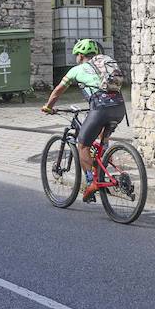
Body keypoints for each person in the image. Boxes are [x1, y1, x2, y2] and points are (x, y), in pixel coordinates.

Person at [41, 39, 126, 201]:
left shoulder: (76, 70)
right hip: (119, 107)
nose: (76, 58)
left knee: (83, 145)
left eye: (76, 55)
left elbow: (58, 91)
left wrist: (48, 106)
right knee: (102, 138)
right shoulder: (105, 65)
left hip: (100, 107)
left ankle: (90, 182)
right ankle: (104, 164)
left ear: (80, 55)